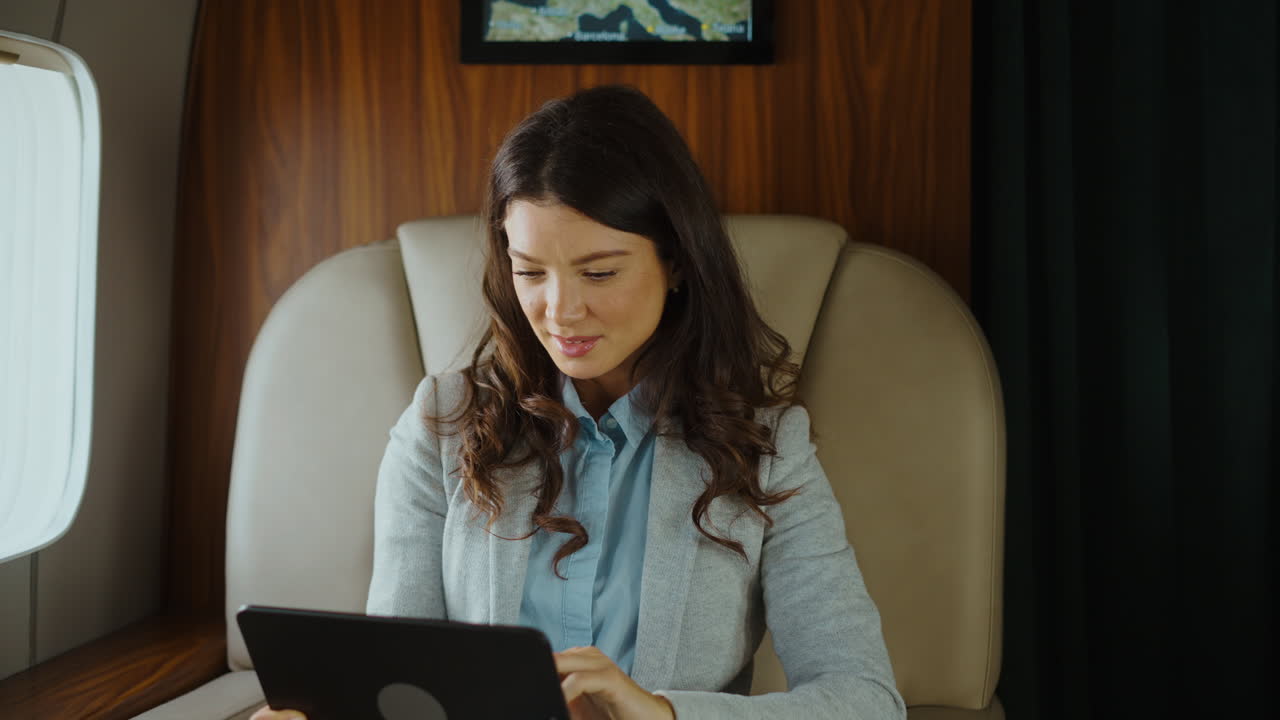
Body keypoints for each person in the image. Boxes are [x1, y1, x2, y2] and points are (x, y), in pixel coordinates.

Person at [252, 84, 905, 720]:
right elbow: (390, 685)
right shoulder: (441, 428)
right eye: (530, 271)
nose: (560, 311)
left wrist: (661, 714)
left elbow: (866, 701)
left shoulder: (768, 448)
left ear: (677, 263)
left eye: (600, 272)